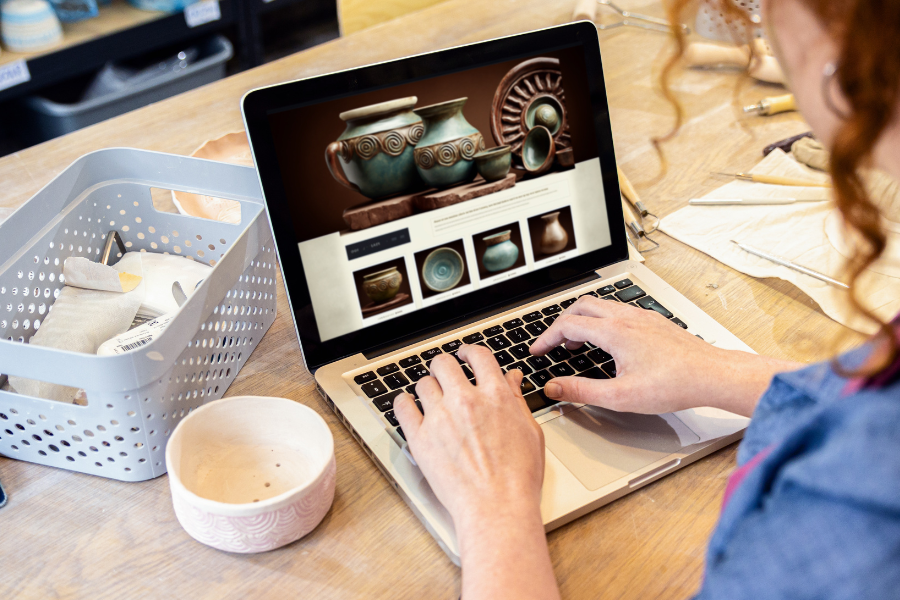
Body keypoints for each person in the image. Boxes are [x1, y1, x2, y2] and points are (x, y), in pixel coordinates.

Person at [393, 0, 900, 597]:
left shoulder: (848, 515)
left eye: (761, 7)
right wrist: (730, 373)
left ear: (846, 49)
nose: (755, 19)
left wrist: (494, 507)